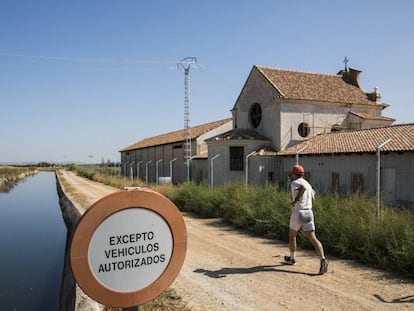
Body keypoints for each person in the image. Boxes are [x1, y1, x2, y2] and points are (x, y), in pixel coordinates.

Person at [284, 164, 328, 275]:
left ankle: (292, 258)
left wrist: (296, 201)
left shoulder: (295, 183)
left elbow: (301, 189)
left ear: (294, 174)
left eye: (292, 174)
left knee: (292, 236)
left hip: (298, 212)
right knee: (313, 238)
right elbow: (313, 199)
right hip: (309, 212)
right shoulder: (308, 184)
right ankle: (323, 258)